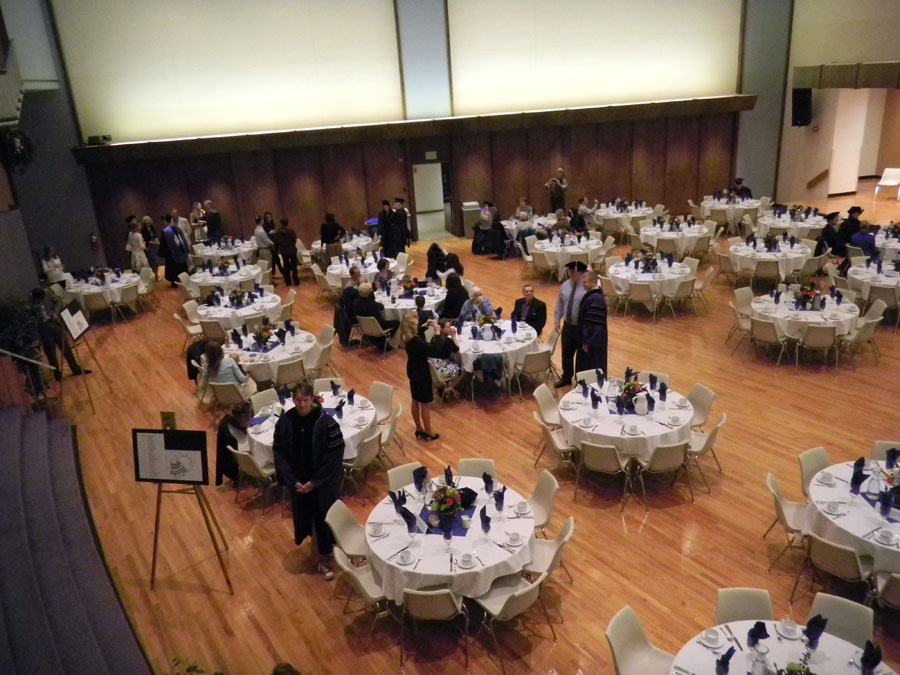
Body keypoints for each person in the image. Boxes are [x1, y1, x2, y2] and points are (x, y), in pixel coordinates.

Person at [273, 382, 345, 580]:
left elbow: (334, 456)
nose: (302, 404)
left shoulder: (326, 422)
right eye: (298, 400)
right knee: (309, 520)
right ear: (293, 399)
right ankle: (318, 557)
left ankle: (326, 555)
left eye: (305, 400)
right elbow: (279, 453)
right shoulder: (285, 422)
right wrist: (292, 480)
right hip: (298, 484)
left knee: (324, 519)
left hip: (322, 485)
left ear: (312, 398)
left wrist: (315, 481)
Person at [29, 288, 90, 380]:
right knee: (50, 352)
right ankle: (57, 374)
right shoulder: (30, 303)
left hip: (54, 322)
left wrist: (54, 312)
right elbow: (31, 315)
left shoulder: (47, 293)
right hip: (43, 327)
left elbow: (57, 301)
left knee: (65, 347)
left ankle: (75, 369)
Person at [399, 311, 439, 441]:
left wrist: (424, 327)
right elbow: (433, 349)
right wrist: (437, 333)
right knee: (425, 403)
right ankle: (428, 431)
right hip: (422, 372)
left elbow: (417, 336)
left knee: (415, 400)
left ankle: (419, 428)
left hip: (412, 369)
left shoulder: (406, 337)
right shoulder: (417, 342)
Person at [553, 260, 588, 387]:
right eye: (569, 271)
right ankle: (566, 377)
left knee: (581, 356)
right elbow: (560, 304)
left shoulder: (587, 288)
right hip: (567, 325)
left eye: (573, 272)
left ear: (582, 273)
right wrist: (557, 320)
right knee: (566, 353)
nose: (570, 274)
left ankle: (580, 380)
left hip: (581, 328)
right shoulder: (565, 286)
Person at [576, 270, 608, 375]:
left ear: (593, 282)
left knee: (592, 369)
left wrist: (587, 341)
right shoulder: (593, 295)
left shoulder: (596, 299)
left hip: (593, 342)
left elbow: (594, 324)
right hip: (591, 340)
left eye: (585, 282)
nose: (583, 284)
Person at [215, 401, 251, 486]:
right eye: (247, 415)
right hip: (239, 460)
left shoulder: (227, 422)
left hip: (233, 462)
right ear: (241, 416)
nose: (249, 418)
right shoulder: (231, 433)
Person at [427, 318, 462, 396]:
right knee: (462, 368)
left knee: (452, 360)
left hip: (432, 368)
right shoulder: (447, 341)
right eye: (448, 327)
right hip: (440, 370)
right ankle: (449, 388)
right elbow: (457, 349)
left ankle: (442, 386)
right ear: (441, 329)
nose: (450, 328)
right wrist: (453, 336)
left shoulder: (434, 338)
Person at [159, 214, 190, 285]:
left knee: (173, 268)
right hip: (181, 252)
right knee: (182, 266)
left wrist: (163, 253)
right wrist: (186, 250)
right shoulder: (178, 229)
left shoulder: (165, 231)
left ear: (165, 222)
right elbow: (183, 240)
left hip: (172, 255)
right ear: (172, 220)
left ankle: (175, 282)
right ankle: (184, 279)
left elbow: (164, 244)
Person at [336, 266, 361, 346]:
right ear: (352, 275)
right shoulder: (349, 287)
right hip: (351, 315)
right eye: (358, 274)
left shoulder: (358, 282)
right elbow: (350, 305)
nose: (360, 275)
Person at [273, 218, 299, 286]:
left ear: (281, 223)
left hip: (283, 251)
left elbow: (276, 241)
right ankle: (296, 281)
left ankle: (287, 281)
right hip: (292, 250)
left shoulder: (278, 232)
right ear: (287, 223)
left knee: (285, 265)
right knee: (294, 266)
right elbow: (294, 240)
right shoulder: (291, 231)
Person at [140, 215, 161, 280]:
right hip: (149, 246)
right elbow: (146, 240)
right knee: (154, 261)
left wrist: (157, 241)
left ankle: (155, 275)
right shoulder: (143, 229)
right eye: (146, 221)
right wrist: (155, 243)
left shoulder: (151, 227)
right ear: (144, 222)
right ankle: (155, 276)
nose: (148, 222)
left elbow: (155, 236)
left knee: (156, 261)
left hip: (155, 246)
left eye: (148, 220)